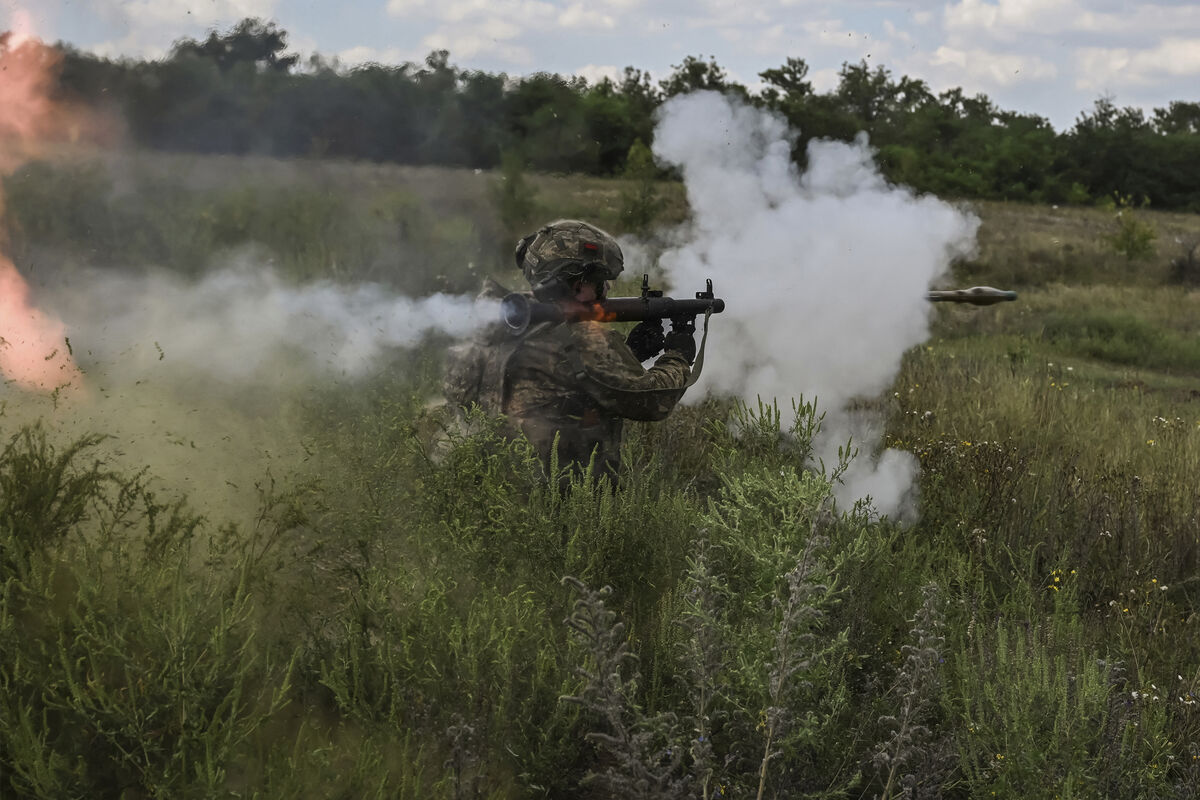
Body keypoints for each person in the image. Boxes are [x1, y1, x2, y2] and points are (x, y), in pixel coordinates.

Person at [442, 219, 696, 479]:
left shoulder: (500, 326)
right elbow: (651, 402)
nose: (606, 290)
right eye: (601, 281)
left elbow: (565, 383)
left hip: (492, 489)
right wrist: (677, 356)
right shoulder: (583, 339)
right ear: (578, 285)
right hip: (558, 498)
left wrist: (631, 352)